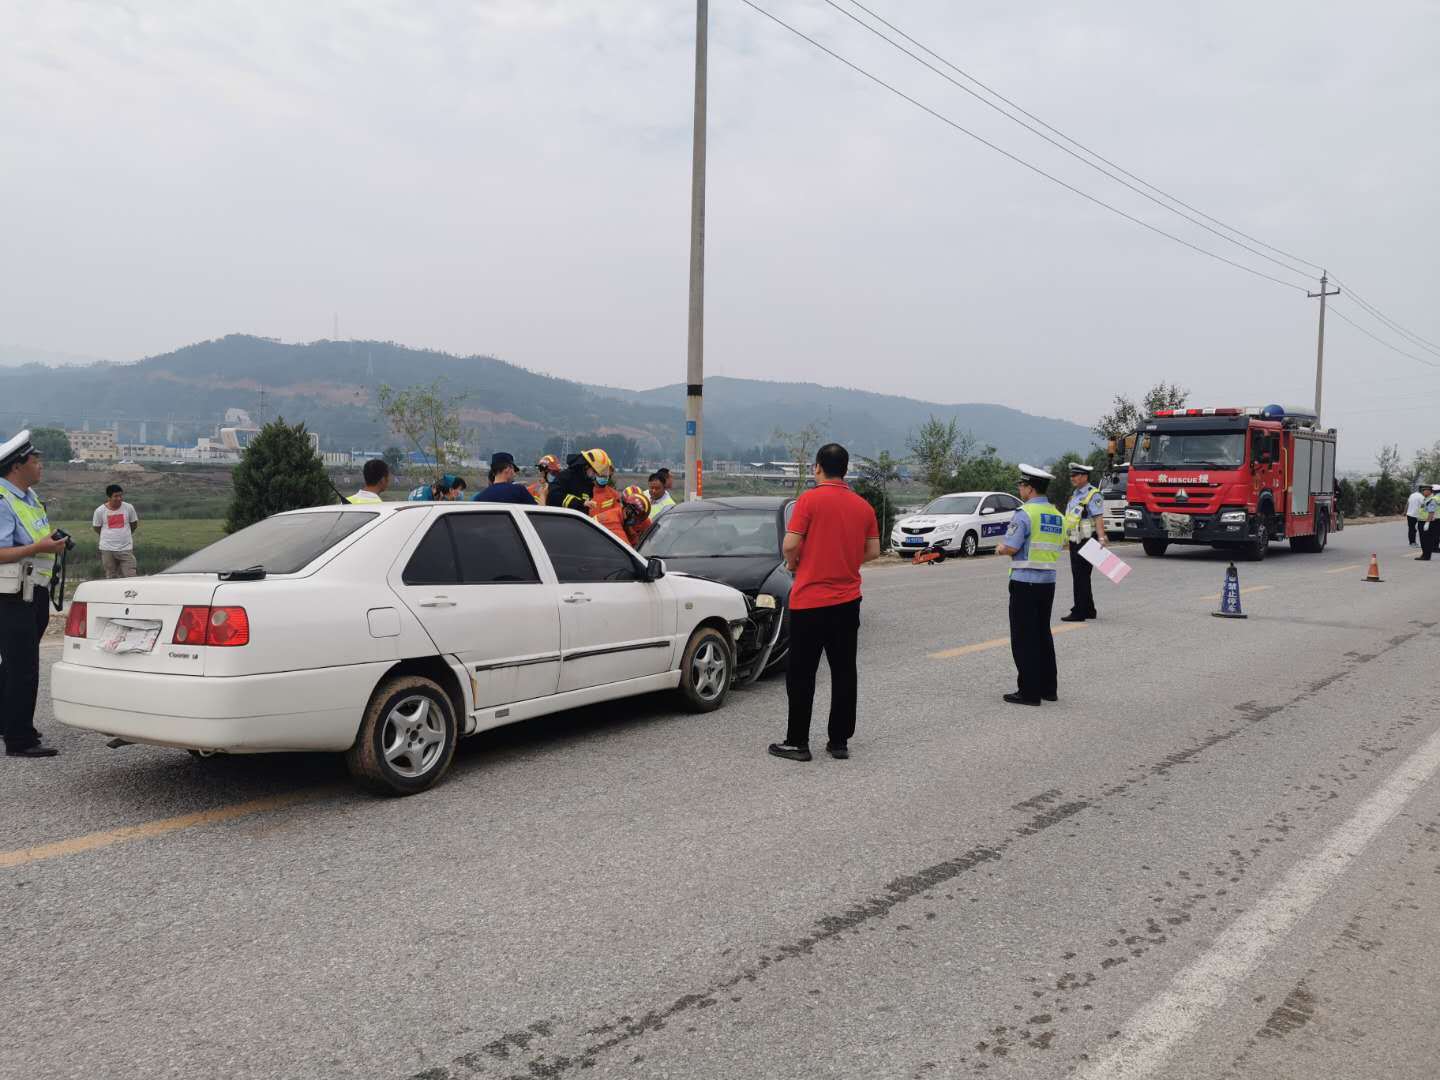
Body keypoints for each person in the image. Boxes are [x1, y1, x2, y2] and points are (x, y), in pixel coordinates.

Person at [768, 443, 880, 763]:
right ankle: (839, 741)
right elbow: (872, 552)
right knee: (844, 671)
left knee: (802, 673)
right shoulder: (863, 507)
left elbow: (790, 544)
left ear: (817, 467)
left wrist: (795, 562)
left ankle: (798, 742)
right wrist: (844, 559)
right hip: (847, 601)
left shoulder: (809, 500)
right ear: (845, 469)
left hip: (810, 601)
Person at [0, 431, 68, 758]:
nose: (40, 465)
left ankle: (9, 721)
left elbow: (33, 540)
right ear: (17, 466)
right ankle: (19, 739)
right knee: (21, 666)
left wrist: (52, 543)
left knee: (15, 665)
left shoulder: (28, 498)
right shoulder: (2, 500)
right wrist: (39, 547)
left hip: (34, 592)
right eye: (35, 460)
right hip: (12, 596)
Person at [994, 465, 1065, 706]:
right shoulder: (1056, 514)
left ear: (1030, 488)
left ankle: (1029, 692)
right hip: (1048, 582)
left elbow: (1012, 547)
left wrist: (1001, 548)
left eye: (1022, 485)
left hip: (1025, 582)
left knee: (1024, 638)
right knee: (1043, 634)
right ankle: (1048, 688)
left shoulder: (1024, 513)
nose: (1020, 489)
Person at [1060, 462, 1106, 622]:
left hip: (1087, 539)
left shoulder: (1093, 494)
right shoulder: (1075, 494)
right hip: (1075, 539)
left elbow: (1098, 516)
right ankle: (1089, 609)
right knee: (1082, 575)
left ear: (1085, 476)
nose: (1072, 478)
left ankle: (1079, 611)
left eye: (1076, 475)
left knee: (1081, 575)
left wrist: (1101, 537)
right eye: (1072, 475)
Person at [92, 483, 140, 578]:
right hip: (107, 549)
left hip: (125, 548)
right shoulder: (100, 511)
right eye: (116, 496)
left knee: (131, 576)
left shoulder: (128, 507)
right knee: (111, 576)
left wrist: (125, 535)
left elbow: (134, 524)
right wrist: (108, 536)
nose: (119, 498)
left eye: (120, 495)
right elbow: (96, 527)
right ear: (109, 497)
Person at [472, 452, 538, 504]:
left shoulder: (479, 498)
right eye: (513, 470)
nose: (514, 474)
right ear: (507, 469)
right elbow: (536, 513)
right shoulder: (519, 491)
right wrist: (543, 494)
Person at [1417, 483, 1438, 562]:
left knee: (1426, 540)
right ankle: (1424, 554)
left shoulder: (1431, 499)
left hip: (1427, 522)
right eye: (1423, 490)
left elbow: (1431, 512)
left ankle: (1426, 556)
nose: (1423, 492)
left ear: (1429, 491)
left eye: (1425, 490)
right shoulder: (1425, 499)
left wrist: (1427, 523)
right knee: (1423, 539)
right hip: (1421, 521)